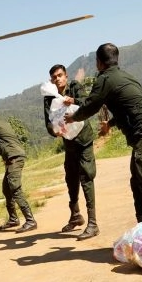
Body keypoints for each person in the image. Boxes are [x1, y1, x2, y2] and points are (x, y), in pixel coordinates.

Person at [65, 43, 142, 226]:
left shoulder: (105, 79)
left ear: (99, 62)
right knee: (137, 182)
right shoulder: (126, 77)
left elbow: (90, 106)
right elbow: (130, 107)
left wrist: (73, 117)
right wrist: (110, 123)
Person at [44, 64, 99, 240]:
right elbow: (48, 122)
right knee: (71, 178)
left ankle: (93, 223)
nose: (57, 79)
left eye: (60, 75)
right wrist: (55, 131)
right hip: (69, 142)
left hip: (83, 139)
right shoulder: (49, 97)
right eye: (54, 77)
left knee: (86, 176)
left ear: (66, 76)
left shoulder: (75, 87)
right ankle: (75, 216)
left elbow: (87, 104)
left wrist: (73, 101)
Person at [0, 107, 37, 233]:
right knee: (6, 189)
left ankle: (30, 220)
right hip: (13, 157)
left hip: (14, 158)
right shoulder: (2, 123)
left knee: (15, 189)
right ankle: (13, 219)